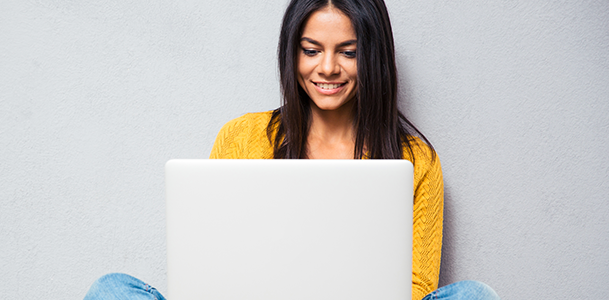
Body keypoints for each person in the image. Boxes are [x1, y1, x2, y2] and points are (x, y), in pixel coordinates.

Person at [85, 0, 500, 299]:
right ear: (293, 53)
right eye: (312, 50)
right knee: (111, 291)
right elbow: (210, 265)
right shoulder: (242, 136)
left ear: (373, 58)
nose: (327, 68)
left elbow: (415, 288)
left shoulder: (414, 160)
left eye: (348, 52)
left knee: (474, 296)